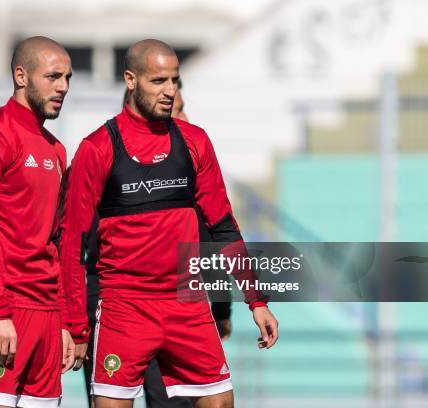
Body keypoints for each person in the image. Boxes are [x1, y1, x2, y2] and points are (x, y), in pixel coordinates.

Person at [59, 39, 278, 408]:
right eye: (158, 81)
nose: (170, 91)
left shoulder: (195, 142)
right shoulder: (97, 148)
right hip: (123, 308)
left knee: (221, 402)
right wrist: (75, 324)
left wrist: (256, 301)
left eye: (174, 81)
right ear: (130, 79)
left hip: (186, 306)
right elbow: (71, 244)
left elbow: (223, 227)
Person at [0, 36, 74, 408]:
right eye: (53, 76)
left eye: (67, 77)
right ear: (21, 76)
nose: (63, 87)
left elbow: (57, 240)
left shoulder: (56, 150)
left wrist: (65, 321)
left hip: (47, 314)